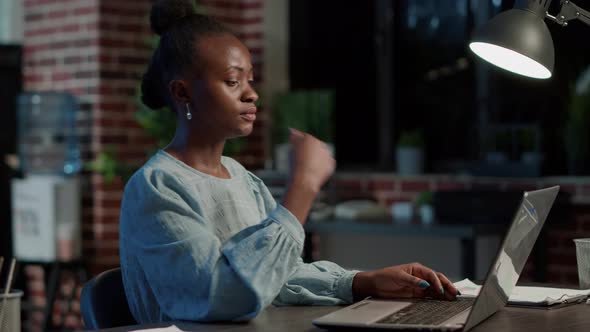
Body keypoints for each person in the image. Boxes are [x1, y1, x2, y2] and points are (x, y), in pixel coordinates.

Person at [119, 0, 459, 324]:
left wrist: (362, 282)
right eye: (233, 81)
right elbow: (221, 296)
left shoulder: (241, 178)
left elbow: (275, 275)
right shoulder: (156, 187)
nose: (251, 93)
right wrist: (303, 186)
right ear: (182, 93)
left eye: (250, 80)